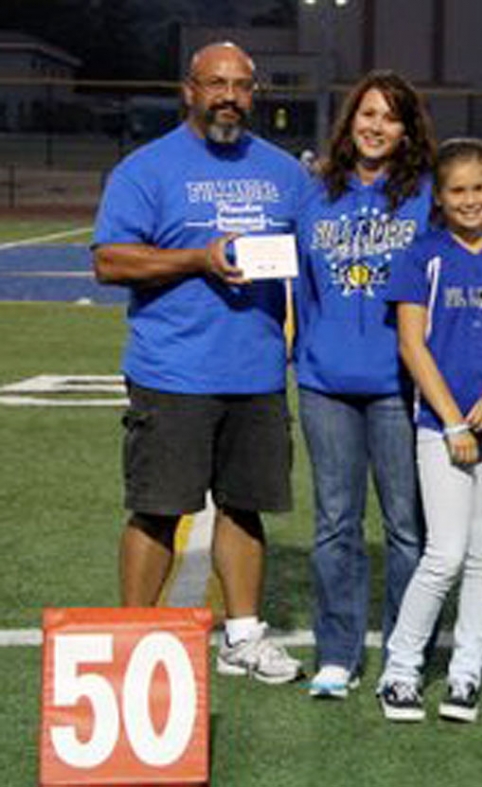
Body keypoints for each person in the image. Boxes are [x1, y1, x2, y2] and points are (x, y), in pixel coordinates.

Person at [92, 42, 306, 683]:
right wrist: (198, 258)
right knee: (159, 507)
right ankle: (134, 641)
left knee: (244, 506)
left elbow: (311, 254)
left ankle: (242, 635)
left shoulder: (283, 172)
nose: (229, 97)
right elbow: (110, 262)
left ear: (255, 93)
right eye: (216, 84)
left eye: (241, 86)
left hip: (257, 369)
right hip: (172, 369)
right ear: (189, 90)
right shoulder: (146, 168)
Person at [376, 138, 482, 724]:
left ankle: (467, 670)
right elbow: (411, 344)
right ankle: (400, 668)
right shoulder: (423, 256)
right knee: (444, 553)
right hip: (441, 428)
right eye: (457, 191)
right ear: (439, 199)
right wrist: (451, 421)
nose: (470, 201)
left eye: (479, 188)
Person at [294, 70, 436, 698]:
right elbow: (298, 281)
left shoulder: (426, 197)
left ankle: (405, 655)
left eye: (390, 117)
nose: (376, 126)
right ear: (351, 121)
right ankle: (338, 653)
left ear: (407, 131)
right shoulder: (315, 194)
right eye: (367, 114)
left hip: (397, 384)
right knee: (334, 523)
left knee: (406, 526)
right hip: (324, 383)